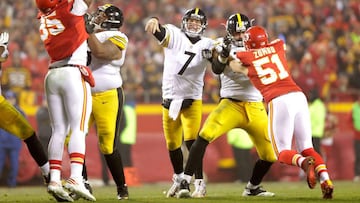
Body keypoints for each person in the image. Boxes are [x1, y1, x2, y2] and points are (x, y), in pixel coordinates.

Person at [177, 13, 276, 198]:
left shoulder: (259, 45)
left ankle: (252, 188)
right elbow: (216, 68)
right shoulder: (221, 44)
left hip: (255, 106)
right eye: (235, 33)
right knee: (204, 136)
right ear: (229, 32)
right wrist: (223, 56)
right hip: (231, 103)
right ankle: (185, 181)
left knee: (270, 155)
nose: (239, 37)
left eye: (242, 33)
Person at [231, 25, 334, 199]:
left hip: (278, 99)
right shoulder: (277, 46)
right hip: (298, 96)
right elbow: (280, 43)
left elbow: (234, 65)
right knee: (307, 147)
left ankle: (303, 163)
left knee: (282, 152)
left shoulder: (245, 56)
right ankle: (325, 179)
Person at [145, 8, 216, 198]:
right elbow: (159, 30)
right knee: (172, 144)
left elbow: (218, 66)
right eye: (191, 21)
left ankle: (199, 182)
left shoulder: (208, 43)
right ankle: (179, 179)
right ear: (184, 22)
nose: (194, 24)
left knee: (192, 142)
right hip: (169, 98)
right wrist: (153, 19)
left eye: (197, 22)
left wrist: (216, 55)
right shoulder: (174, 34)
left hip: (192, 99)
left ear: (203, 26)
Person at [35, 0, 95, 201]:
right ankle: (76, 177)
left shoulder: (44, 15)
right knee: (78, 128)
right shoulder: (69, 7)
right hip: (72, 71)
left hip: (52, 74)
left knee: (58, 130)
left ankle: (54, 179)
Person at [84, 3, 129, 200]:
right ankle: (82, 183)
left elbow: (102, 52)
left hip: (108, 95)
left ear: (111, 19)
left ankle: (122, 187)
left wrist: (86, 32)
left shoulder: (118, 36)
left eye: (101, 15)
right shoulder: (88, 34)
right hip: (83, 94)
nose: (97, 17)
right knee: (71, 139)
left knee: (107, 145)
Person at [0, 90, 23, 187]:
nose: (10, 100)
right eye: (8, 98)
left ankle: (12, 183)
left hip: (14, 143)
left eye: (11, 98)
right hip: (2, 142)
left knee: (14, 165)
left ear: (15, 100)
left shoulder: (20, 112)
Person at [308, 89, 326, 154]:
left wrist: (308, 127)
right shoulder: (316, 105)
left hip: (314, 132)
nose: (309, 96)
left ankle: (318, 163)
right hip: (314, 131)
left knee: (315, 151)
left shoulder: (317, 106)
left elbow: (316, 119)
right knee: (314, 151)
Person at [352, 94, 360, 182]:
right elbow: (349, 119)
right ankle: (357, 174)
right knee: (358, 156)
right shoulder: (354, 107)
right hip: (357, 136)